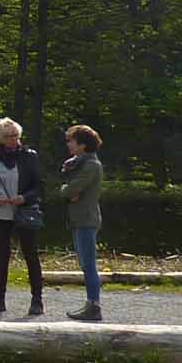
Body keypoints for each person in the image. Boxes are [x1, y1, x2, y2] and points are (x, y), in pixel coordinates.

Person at [0, 117, 45, 316]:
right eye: (9, 137)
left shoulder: (30, 156)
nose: (14, 140)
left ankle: (37, 300)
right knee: (2, 255)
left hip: (25, 211)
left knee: (30, 254)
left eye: (16, 135)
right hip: (0, 213)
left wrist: (24, 198)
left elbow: (39, 186)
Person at [61, 124, 106, 322]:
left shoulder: (91, 166)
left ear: (83, 145)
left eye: (71, 141)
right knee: (85, 264)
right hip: (79, 219)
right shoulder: (79, 164)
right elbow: (72, 189)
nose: (69, 144)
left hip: (87, 219)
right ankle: (91, 304)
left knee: (88, 264)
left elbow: (70, 190)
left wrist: (66, 190)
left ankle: (94, 305)